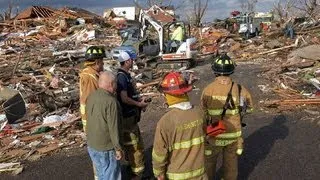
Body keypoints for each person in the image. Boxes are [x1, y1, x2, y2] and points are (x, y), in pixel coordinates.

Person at [201, 54, 253, 180]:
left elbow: (202, 113)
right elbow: (249, 109)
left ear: (215, 71)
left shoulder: (208, 90)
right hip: (233, 135)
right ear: (231, 70)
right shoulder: (240, 89)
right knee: (231, 165)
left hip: (214, 134)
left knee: (209, 163)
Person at [152, 72, 208, 180]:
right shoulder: (199, 113)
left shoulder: (165, 122)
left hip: (176, 175)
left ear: (167, 95)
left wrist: (159, 173)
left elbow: (159, 154)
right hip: (200, 173)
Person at [86, 71, 124, 180]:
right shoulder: (110, 101)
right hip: (106, 147)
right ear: (111, 84)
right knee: (111, 175)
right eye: (116, 83)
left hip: (92, 144)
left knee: (102, 173)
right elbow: (114, 127)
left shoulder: (92, 96)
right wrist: (118, 148)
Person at [116, 51, 148, 179]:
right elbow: (124, 98)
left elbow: (130, 94)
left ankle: (136, 168)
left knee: (134, 143)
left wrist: (139, 101)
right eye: (132, 60)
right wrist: (138, 104)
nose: (133, 62)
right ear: (127, 61)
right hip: (127, 117)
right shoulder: (121, 77)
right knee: (134, 145)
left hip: (132, 115)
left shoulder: (126, 75)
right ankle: (137, 173)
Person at [79, 46, 105, 132]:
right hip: (93, 121)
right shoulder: (89, 77)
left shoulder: (92, 74)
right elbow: (92, 101)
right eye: (102, 61)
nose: (103, 64)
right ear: (97, 62)